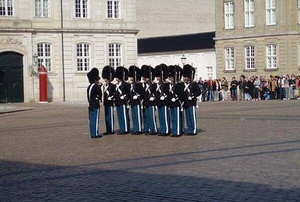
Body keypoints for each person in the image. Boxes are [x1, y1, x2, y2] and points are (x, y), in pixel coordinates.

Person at [181, 64, 201, 136]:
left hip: (192, 102)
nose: (185, 78)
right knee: (188, 117)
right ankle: (190, 130)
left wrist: (193, 95)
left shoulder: (194, 84)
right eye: (184, 77)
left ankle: (194, 130)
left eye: (186, 77)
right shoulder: (183, 85)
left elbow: (199, 92)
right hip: (186, 102)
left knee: (192, 117)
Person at [153, 64, 170, 136]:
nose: (157, 78)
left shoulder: (166, 84)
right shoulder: (157, 84)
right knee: (161, 117)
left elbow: (169, 93)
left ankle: (166, 130)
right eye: (157, 76)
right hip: (159, 102)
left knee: (165, 117)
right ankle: (163, 130)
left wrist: (165, 97)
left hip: (165, 102)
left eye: (158, 76)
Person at [141, 65, 158, 135]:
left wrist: (153, 97)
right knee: (146, 116)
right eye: (145, 78)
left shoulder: (153, 85)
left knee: (151, 116)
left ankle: (154, 129)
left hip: (151, 103)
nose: (146, 79)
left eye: (147, 78)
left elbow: (155, 93)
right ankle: (148, 128)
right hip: (146, 102)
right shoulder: (144, 85)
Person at [168, 65, 183, 137]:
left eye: (171, 77)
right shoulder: (170, 85)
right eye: (170, 77)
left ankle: (177, 132)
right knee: (173, 118)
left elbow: (181, 94)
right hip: (171, 103)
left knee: (177, 118)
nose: (170, 79)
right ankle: (174, 131)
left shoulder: (179, 85)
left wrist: (176, 98)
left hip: (177, 103)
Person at [87, 67, 102, 138]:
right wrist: (99, 87)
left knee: (91, 120)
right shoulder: (96, 86)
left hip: (90, 104)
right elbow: (100, 95)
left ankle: (92, 133)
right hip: (95, 104)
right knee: (95, 120)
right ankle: (96, 133)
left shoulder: (89, 86)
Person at [128, 65, 144, 135]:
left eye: (131, 76)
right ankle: (135, 129)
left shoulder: (139, 84)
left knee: (137, 116)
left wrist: (137, 96)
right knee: (134, 116)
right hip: (132, 102)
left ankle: (138, 129)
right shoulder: (131, 84)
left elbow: (142, 93)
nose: (130, 78)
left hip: (137, 101)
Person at [114, 66, 130, 135]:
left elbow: (129, 93)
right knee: (120, 116)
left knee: (124, 116)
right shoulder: (116, 85)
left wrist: (125, 96)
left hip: (123, 102)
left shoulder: (125, 84)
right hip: (118, 102)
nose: (116, 78)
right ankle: (121, 128)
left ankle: (126, 129)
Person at [102, 65, 116, 135]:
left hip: (110, 103)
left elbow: (114, 94)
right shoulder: (104, 86)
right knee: (106, 117)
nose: (105, 80)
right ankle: (108, 129)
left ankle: (111, 129)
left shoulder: (113, 86)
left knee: (110, 117)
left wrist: (112, 97)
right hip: (106, 103)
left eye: (106, 79)